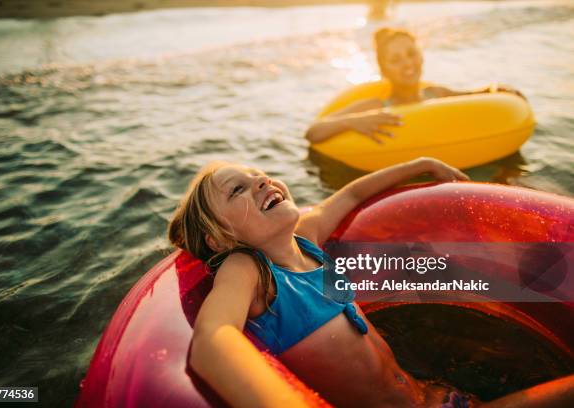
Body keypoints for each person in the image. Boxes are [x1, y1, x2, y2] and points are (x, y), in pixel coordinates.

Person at [168, 157, 574, 407]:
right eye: (238, 188)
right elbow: (213, 337)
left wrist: (422, 164)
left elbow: (347, 196)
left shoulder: (305, 242)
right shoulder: (249, 269)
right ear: (218, 238)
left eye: (261, 174)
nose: (261, 181)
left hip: (432, 396)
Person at [306, 28, 525, 144]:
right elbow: (313, 132)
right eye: (396, 59)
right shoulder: (374, 105)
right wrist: (353, 122)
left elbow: (476, 97)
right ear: (384, 70)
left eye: (411, 54)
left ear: (421, 57)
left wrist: (498, 89)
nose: (407, 64)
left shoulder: (436, 93)